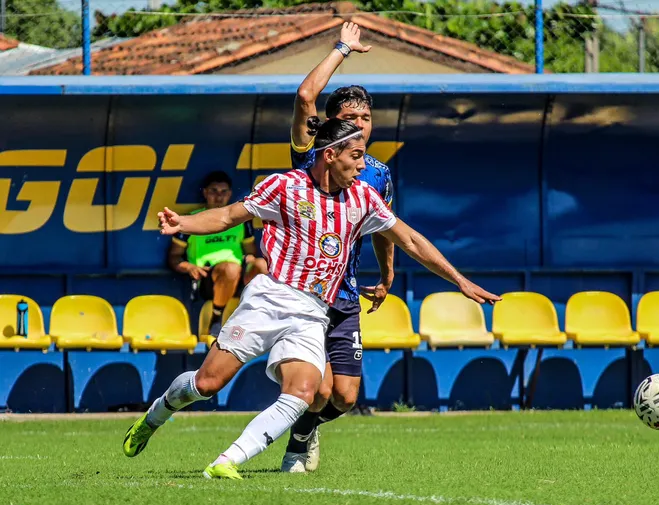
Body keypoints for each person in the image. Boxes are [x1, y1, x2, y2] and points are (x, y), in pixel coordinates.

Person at [122, 118, 500, 480]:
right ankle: (155, 415)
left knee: (303, 392)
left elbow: (411, 239)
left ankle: (227, 461)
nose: (362, 163)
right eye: (356, 155)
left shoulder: (363, 197)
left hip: (312, 312)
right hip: (269, 299)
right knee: (206, 385)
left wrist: (459, 280)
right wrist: (183, 224)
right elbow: (227, 217)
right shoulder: (284, 187)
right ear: (331, 155)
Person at [282, 21, 391, 473]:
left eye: (365, 119)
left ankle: (306, 430)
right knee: (320, 390)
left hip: (347, 293)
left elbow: (386, 229)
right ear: (331, 124)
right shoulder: (311, 154)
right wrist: (342, 48)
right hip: (306, 293)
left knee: (344, 398)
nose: (359, 126)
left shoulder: (379, 173)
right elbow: (306, 98)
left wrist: (387, 277)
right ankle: (297, 440)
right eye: (350, 118)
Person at [167, 171, 267, 336]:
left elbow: (250, 252)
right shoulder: (190, 220)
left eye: (223, 192)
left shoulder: (241, 220)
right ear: (205, 192)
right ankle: (216, 318)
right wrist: (188, 267)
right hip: (208, 278)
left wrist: (250, 259)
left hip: (239, 275)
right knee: (230, 269)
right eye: (214, 191)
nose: (219, 197)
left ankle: (260, 315)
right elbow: (174, 257)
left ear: (229, 194)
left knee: (261, 265)